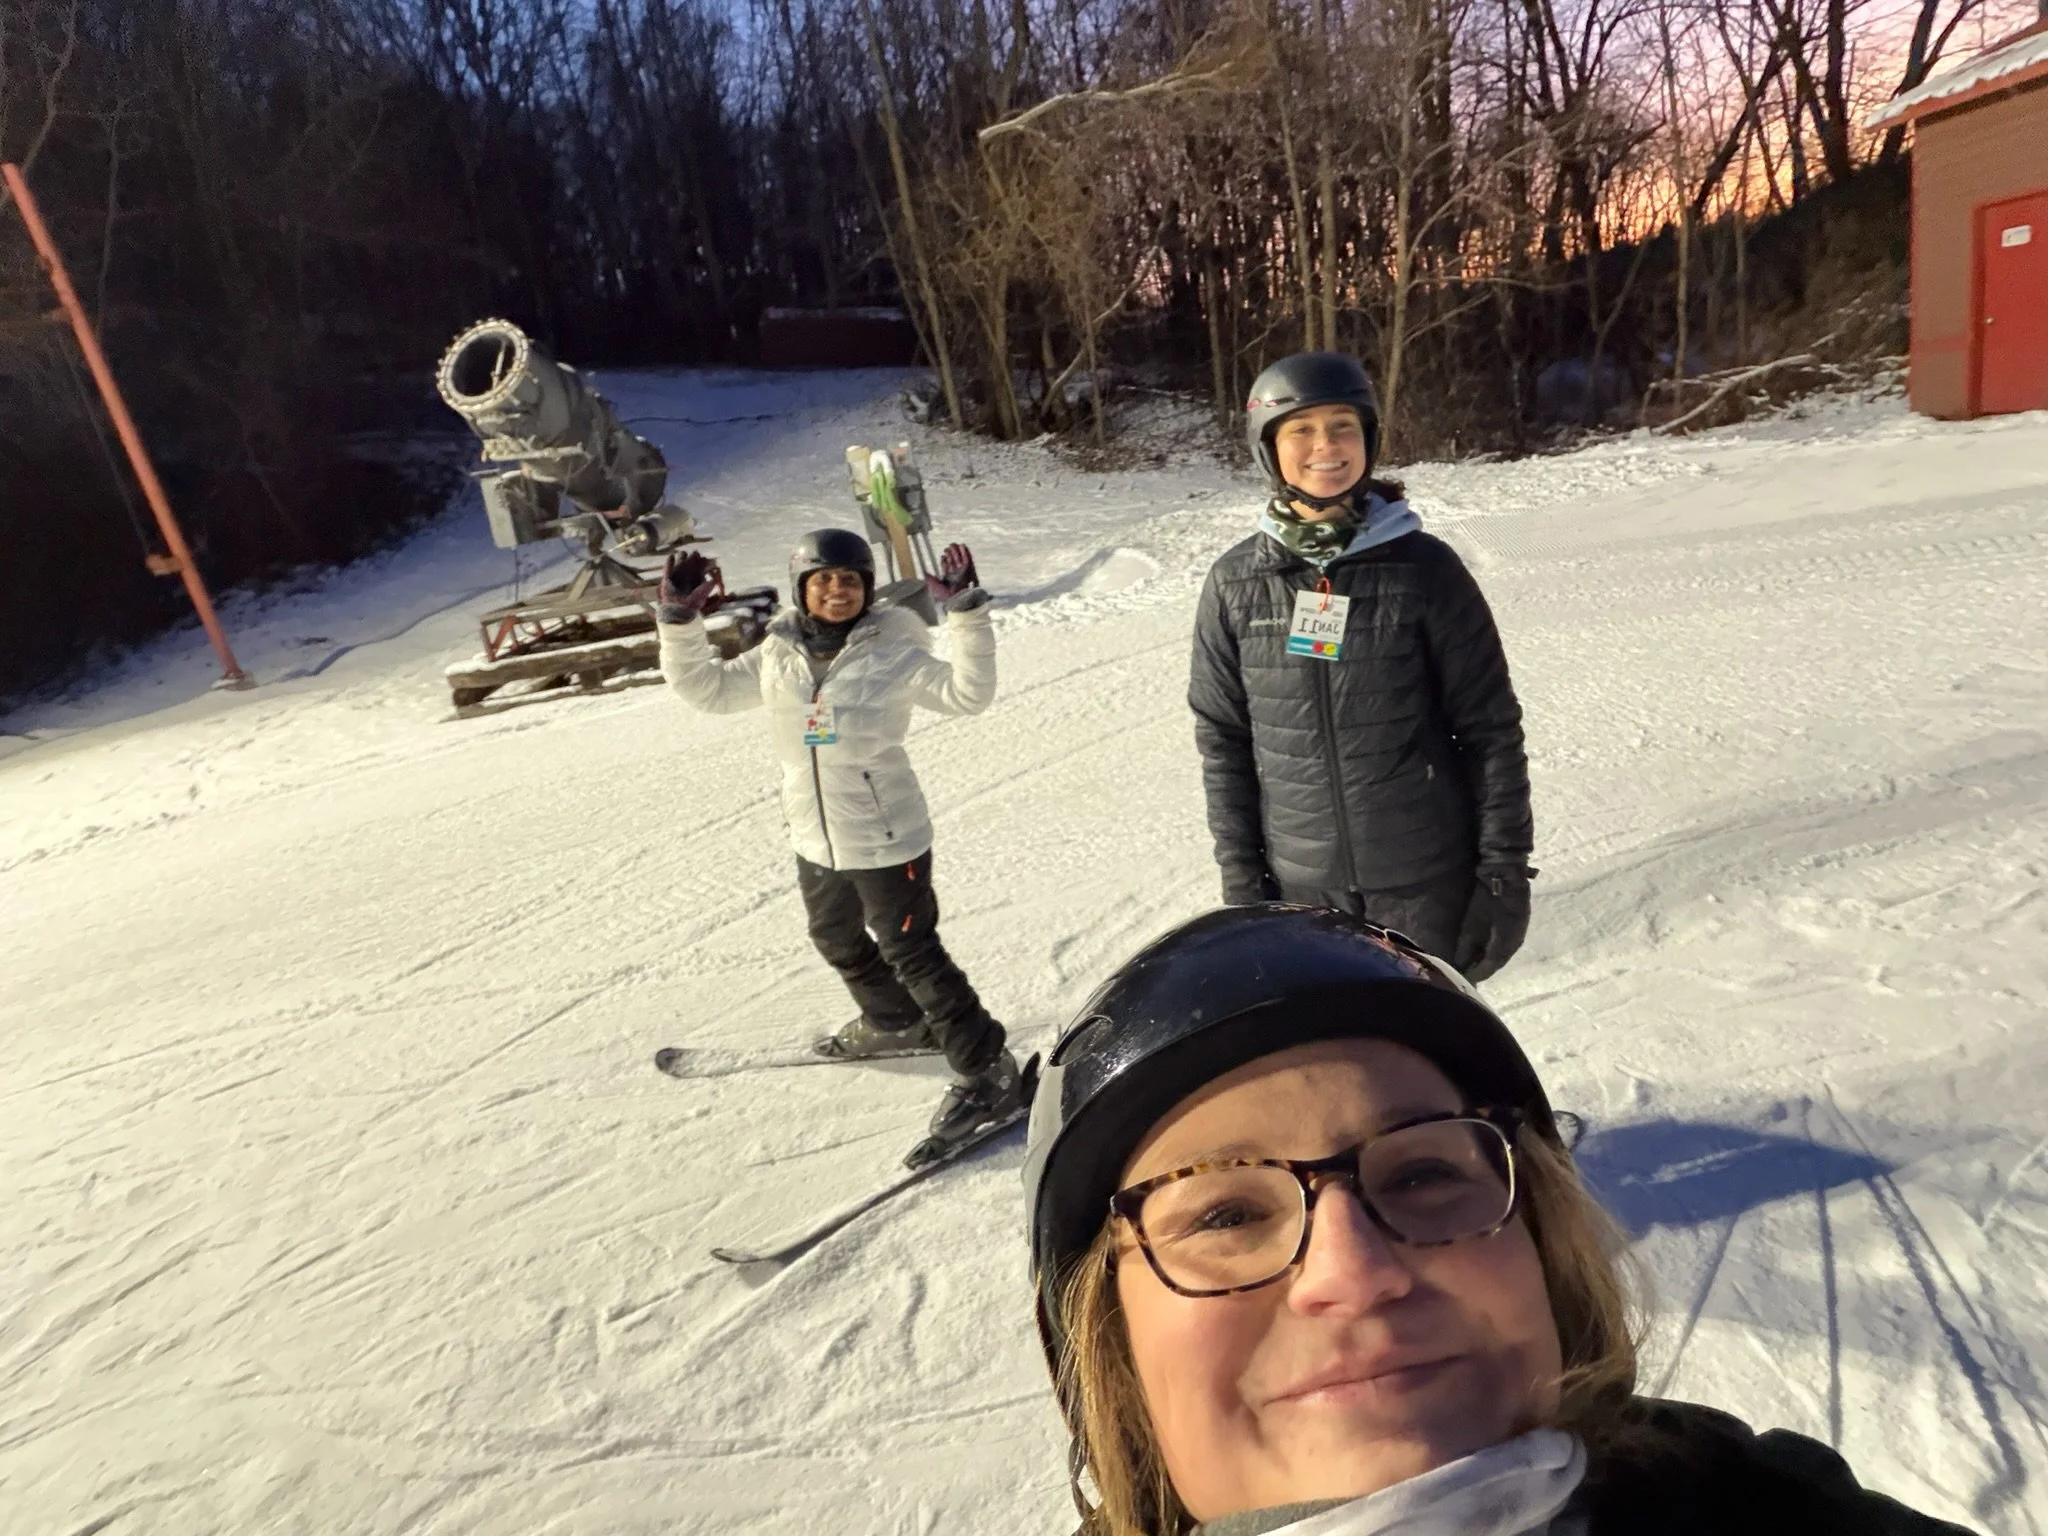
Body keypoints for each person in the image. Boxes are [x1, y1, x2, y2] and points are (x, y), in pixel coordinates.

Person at [1022, 904, 1971, 1536]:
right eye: (1225, 1212)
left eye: (1427, 1172)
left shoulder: (1760, 1512)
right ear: (1106, 1341)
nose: (1353, 1272)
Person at [656, 529, 1023, 1162]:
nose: (836, 590)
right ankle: (894, 1022)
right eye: (823, 579)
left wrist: (966, 615)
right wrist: (679, 624)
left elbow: (970, 695)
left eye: (849, 580)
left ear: (867, 589)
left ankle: (988, 1070)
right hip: (814, 833)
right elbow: (708, 691)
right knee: (836, 938)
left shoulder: (894, 654)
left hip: (885, 836)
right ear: (802, 588)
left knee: (912, 951)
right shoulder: (778, 652)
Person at [1189, 352, 1535, 981]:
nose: (1326, 446)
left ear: (1368, 438)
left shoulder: (1425, 571)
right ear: (1269, 448)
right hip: (1299, 892)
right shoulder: (1235, 583)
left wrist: (1503, 872)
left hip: (1423, 884)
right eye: (1301, 429)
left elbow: (1490, 730)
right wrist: (1244, 888)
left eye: (1343, 425)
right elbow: (1224, 741)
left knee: (1427, 1055)